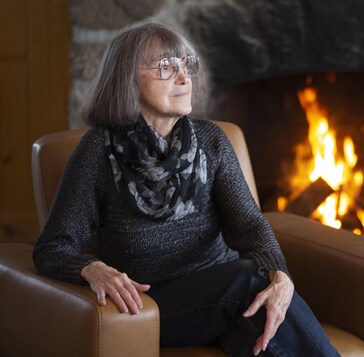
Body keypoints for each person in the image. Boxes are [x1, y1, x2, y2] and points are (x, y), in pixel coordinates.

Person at [33, 23, 340, 357]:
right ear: (127, 79)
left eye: (185, 65)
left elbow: (249, 225)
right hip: (155, 303)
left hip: (226, 297)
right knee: (249, 281)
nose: (183, 77)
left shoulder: (211, 141)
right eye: (166, 67)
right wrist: (90, 268)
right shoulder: (98, 152)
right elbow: (52, 248)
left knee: (260, 318)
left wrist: (281, 276)